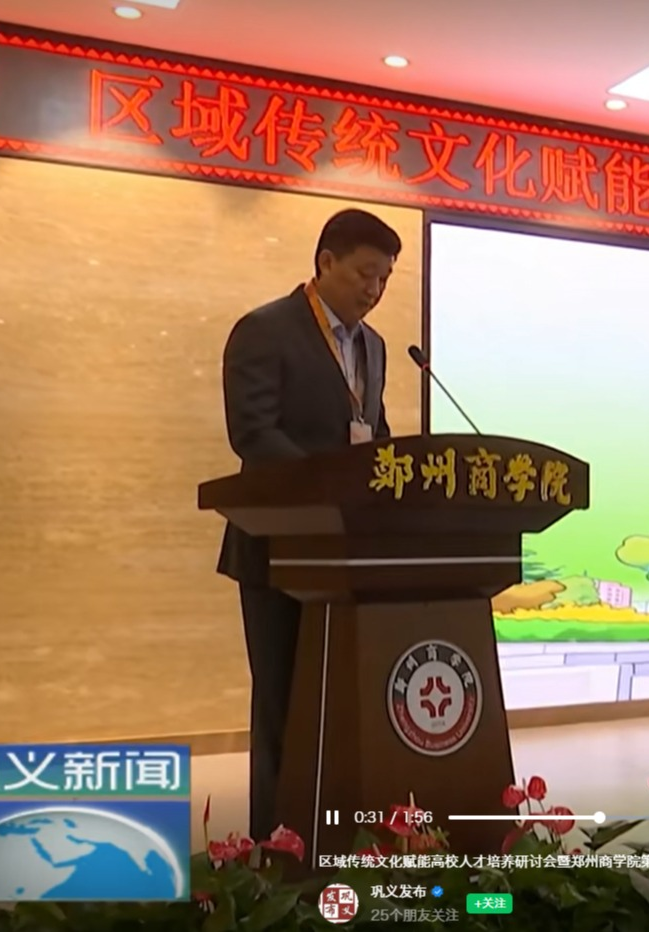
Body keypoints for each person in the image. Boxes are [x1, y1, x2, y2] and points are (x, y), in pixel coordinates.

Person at [217, 208, 401, 840]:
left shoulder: (375, 347)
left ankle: (339, 837)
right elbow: (252, 433)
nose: (374, 290)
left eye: (384, 279)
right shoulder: (265, 330)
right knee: (283, 701)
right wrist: (329, 493)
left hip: (349, 554)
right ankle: (275, 849)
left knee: (340, 703)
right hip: (279, 547)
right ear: (325, 262)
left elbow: (373, 433)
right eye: (364, 274)